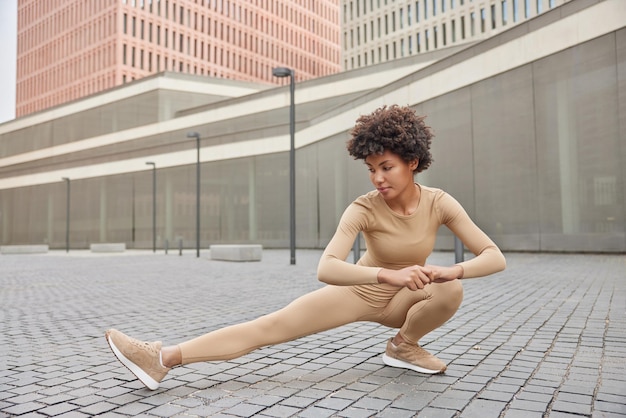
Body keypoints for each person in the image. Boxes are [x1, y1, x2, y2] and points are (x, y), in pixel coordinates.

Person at [106, 104, 506, 390]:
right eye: (371, 169)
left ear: (413, 161)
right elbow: (328, 267)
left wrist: (453, 270)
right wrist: (387, 273)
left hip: (407, 300)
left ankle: (404, 346)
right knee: (270, 326)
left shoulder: (439, 202)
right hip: (359, 292)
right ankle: (159, 359)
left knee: (451, 289)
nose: (377, 178)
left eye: (386, 167)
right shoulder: (363, 208)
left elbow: (493, 257)